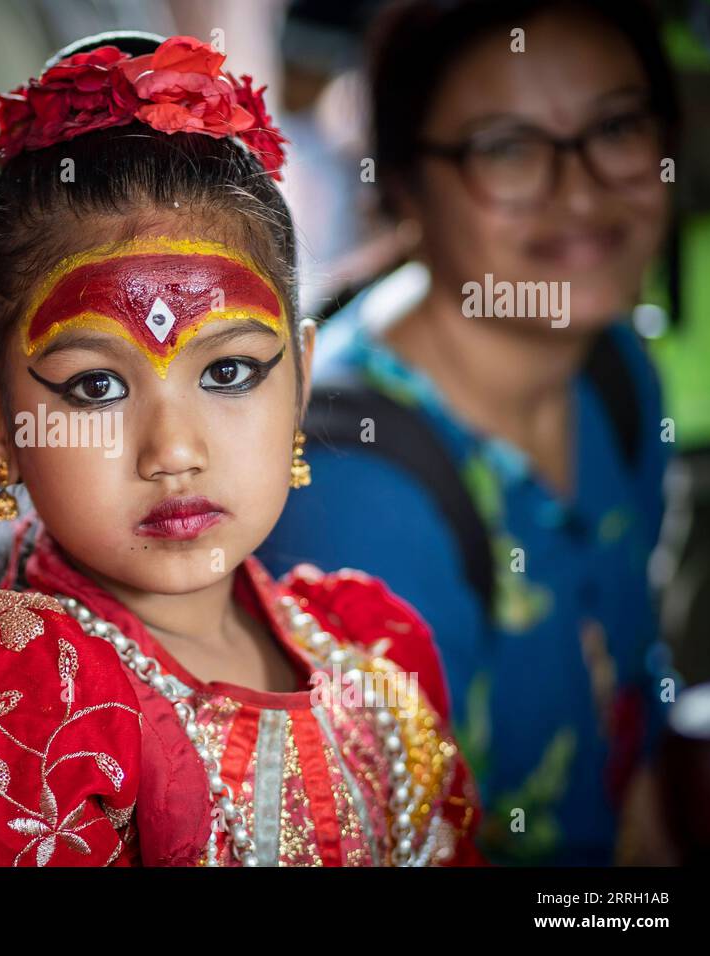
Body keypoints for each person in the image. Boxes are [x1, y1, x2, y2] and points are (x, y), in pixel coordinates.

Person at [0, 33, 482, 866]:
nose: (173, 451)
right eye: (96, 387)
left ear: (301, 383)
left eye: (230, 370)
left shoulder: (376, 651)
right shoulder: (6, 696)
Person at [259, 0, 679, 865]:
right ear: (404, 184)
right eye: (508, 148)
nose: (580, 189)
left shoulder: (615, 372)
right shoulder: (350, 492)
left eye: (618, 127)